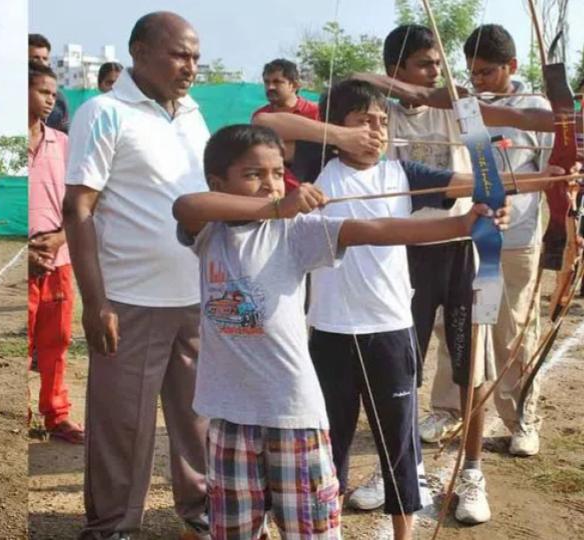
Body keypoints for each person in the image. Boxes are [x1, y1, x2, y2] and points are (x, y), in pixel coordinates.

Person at [173, 123, 512, 540]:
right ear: (218, 182)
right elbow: (185, 205)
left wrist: (464, 226)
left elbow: (378, 230)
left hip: (293, 412)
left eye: (279, 173)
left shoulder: (296, 232)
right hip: (229, 416)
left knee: (309, 530)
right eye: (253, 175)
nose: (270, 185)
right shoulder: (210, 233)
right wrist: (275, 207)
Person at [260, 79, 566, 538]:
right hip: (329, 331)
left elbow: (482, 181)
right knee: (330, 443)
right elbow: (264, 121)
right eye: (364, 121)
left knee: (399, 444)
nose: (377, 131)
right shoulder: (315, 164)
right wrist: (340, 138)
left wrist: (553, 176)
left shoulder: (402, 173)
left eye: (382, 122)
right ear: (336, 126)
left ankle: (404, 532)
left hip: (390, 327)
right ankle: (330, 527)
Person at [63, 11, 209, 539]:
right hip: (129, 301)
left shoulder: (193, 114)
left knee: (199, 417)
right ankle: (111, 526)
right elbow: (78, 208)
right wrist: (96, 301)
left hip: (196, 296)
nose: (189, 66)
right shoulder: (104, 113)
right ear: (139, 51)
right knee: (123, 426)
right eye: (178, 54)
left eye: (195, 56)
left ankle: (202, 510)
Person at [465, 24, 551, 457]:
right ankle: (452, 410)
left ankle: (522, 418)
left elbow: (554, 172)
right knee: (462, 325)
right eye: (472, 73)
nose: (478, 81)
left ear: (511, 66)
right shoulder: (466, 106)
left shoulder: (537, 107)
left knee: (512, 328)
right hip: (469, 233)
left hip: (517, 236)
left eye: (486, 73)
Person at [28, 61, 82, 443]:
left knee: (57, 339)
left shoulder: (63, 143)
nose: (51, 100)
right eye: (43, 91)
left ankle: (56, 413)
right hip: (25, 264)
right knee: (25, 339)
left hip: (58, 260)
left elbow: (81, 203)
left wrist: (62, 238)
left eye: (53, 93)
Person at [251, 59, 319, 193]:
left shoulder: (315, 112)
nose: (270, 87)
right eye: (267, 82)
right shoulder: (261, 116)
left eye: (277, 82)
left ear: (294, 85)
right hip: (274, 191)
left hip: (312, 186)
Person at [29, 33, 70, 132]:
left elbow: (64, 130)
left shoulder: (59, 100)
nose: (41, 62)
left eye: (45, 58)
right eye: (35, 58)